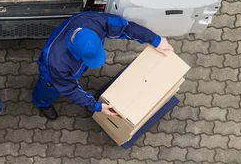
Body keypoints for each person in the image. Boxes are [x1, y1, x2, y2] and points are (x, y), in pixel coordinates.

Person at [33, 12, 174, 120]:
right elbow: (70, 89)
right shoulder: (56, 63)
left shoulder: (95, 22)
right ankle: (42, 103)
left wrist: (155, 40)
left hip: (74, 65)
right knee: (48, 90)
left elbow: (127, 28)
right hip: (50, 76)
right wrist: (96, 106)